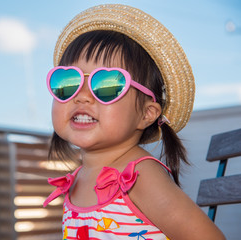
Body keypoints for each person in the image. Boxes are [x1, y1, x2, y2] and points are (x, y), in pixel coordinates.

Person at [43, 4, 225, 240]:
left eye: (107, 85)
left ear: (147, 113)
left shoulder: (138, 176)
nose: (82, 95)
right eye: (68, 82)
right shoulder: (77, 179)